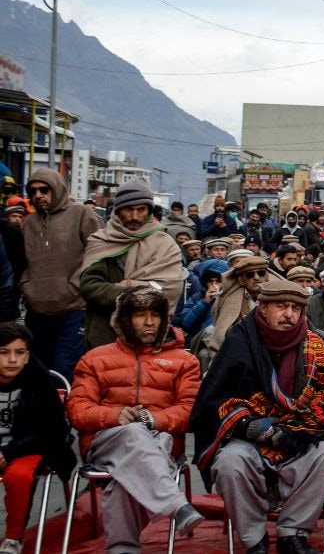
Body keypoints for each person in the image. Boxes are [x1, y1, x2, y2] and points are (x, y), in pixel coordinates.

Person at [192, 279, 324, 554]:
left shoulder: (318, 344)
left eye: (296, 308)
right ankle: (254, 539)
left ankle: (292, 534)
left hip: (298, 433)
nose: (289, 315)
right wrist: (253, 426)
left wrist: (300, 428)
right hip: (249, 435)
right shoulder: (239, 340)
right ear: (262, 307)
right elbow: (215, 399)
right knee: (229, 463)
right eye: (281, 306)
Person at [66, 286, 203, 552]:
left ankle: (122, 548)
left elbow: (191, 411)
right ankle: (175, 504)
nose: (150, 322)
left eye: (155, 314)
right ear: (124, 320)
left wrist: (153, 418)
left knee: (128, 468)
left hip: (161, 440)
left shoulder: (184, 361)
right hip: (106, 440)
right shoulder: (95, 358)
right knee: (131, 433)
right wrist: (115, 415)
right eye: (140, 315)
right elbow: (77, 410)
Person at [79, 180, 188, 349]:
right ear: (118, 210)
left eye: (141, 210)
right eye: (128, 209)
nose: (135, 216)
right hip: (106, 337)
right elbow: (90, 287)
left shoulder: (165, 244)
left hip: (149, 336)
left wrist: (130, 287)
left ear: (149, 211)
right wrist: (132, 290)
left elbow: (170, 288)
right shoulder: (102, 241)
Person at [0, 323, 76, 554]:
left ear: (27, 355)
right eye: (4, 353)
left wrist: (8, 452)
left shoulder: (39, 380)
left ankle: (14, 537)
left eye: (19, 352)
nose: (12, 359)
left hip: (31, 446)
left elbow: (51, 430)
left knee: (19, 476)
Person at [20, 168, 103, 377]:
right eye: (33, 191)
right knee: (36, 371)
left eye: (44, 189)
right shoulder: (28, 222)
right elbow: (22, 262)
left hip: (73, 310)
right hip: (37, 311)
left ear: (56, 188)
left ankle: (66, 410)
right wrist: (26, 286)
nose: (38, 195)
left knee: (63, 369)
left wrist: (76, 285)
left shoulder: (82, 214)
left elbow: (100, 252)